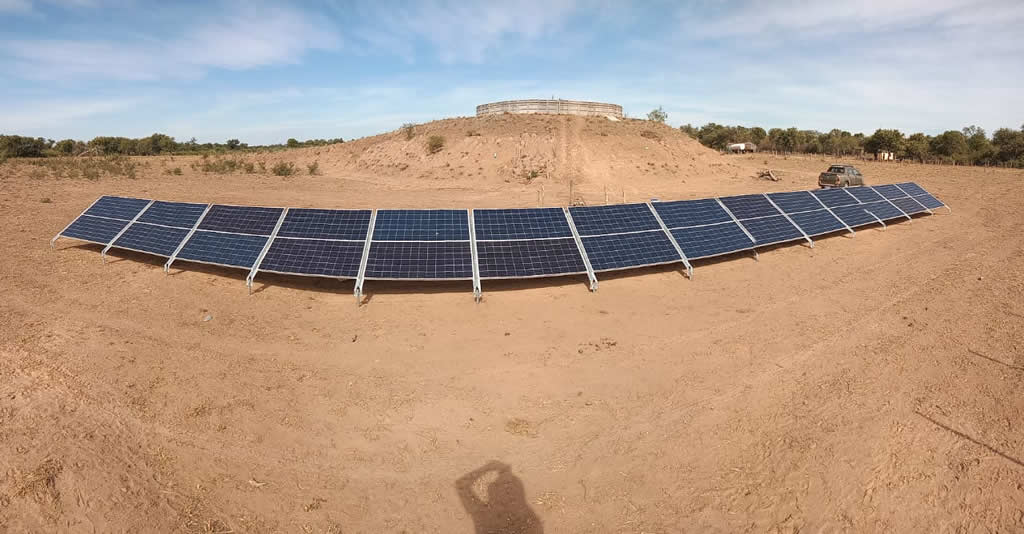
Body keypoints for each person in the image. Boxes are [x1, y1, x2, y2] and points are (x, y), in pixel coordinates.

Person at [455, 461, 543, 534]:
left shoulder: (483, 514)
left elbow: (461, 485)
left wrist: (486, 469)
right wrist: (487, 468)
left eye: (507, 489)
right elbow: (461, 485)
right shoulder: (530, 522)